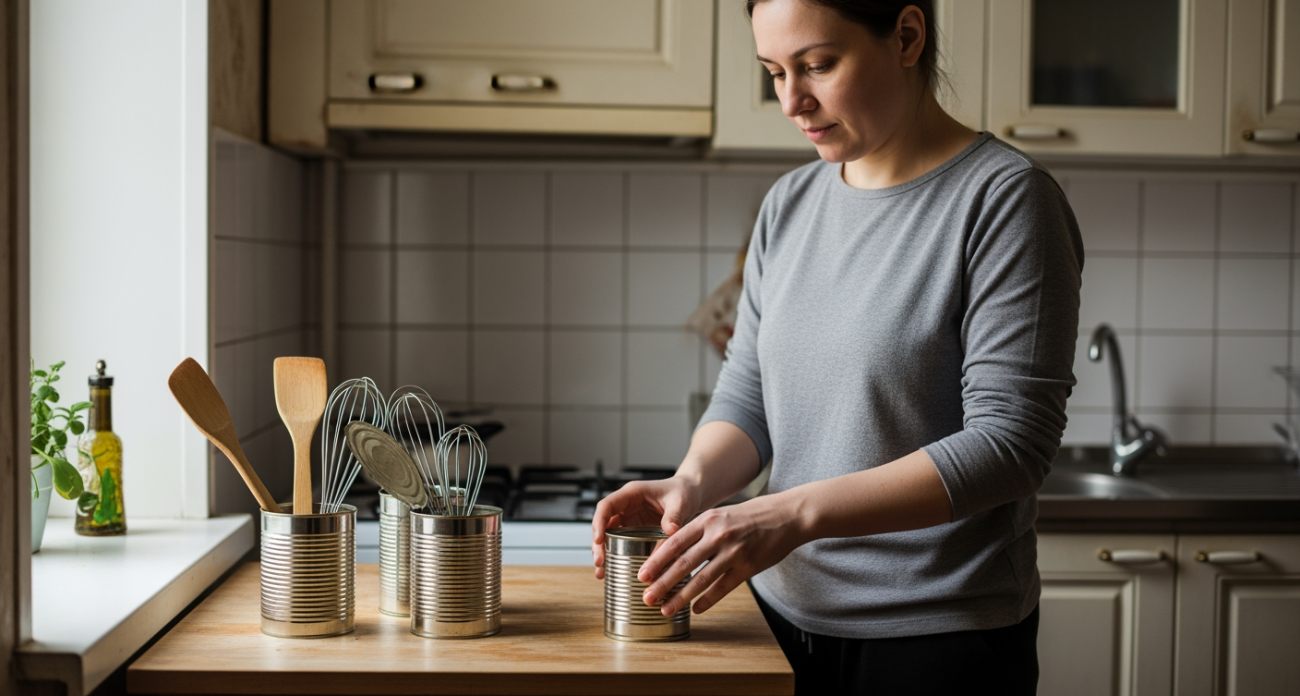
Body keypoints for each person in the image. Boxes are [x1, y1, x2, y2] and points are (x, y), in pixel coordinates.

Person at [592, 0, 1082, 693]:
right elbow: (749, 394)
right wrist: (692, 483)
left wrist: (791, 514)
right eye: (774, 72)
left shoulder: (1005, 201)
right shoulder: (789, 204)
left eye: (818, 65)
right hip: (777, 617)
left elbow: (1009, 446)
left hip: (936, 639)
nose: (791, 100)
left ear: (906, 37)